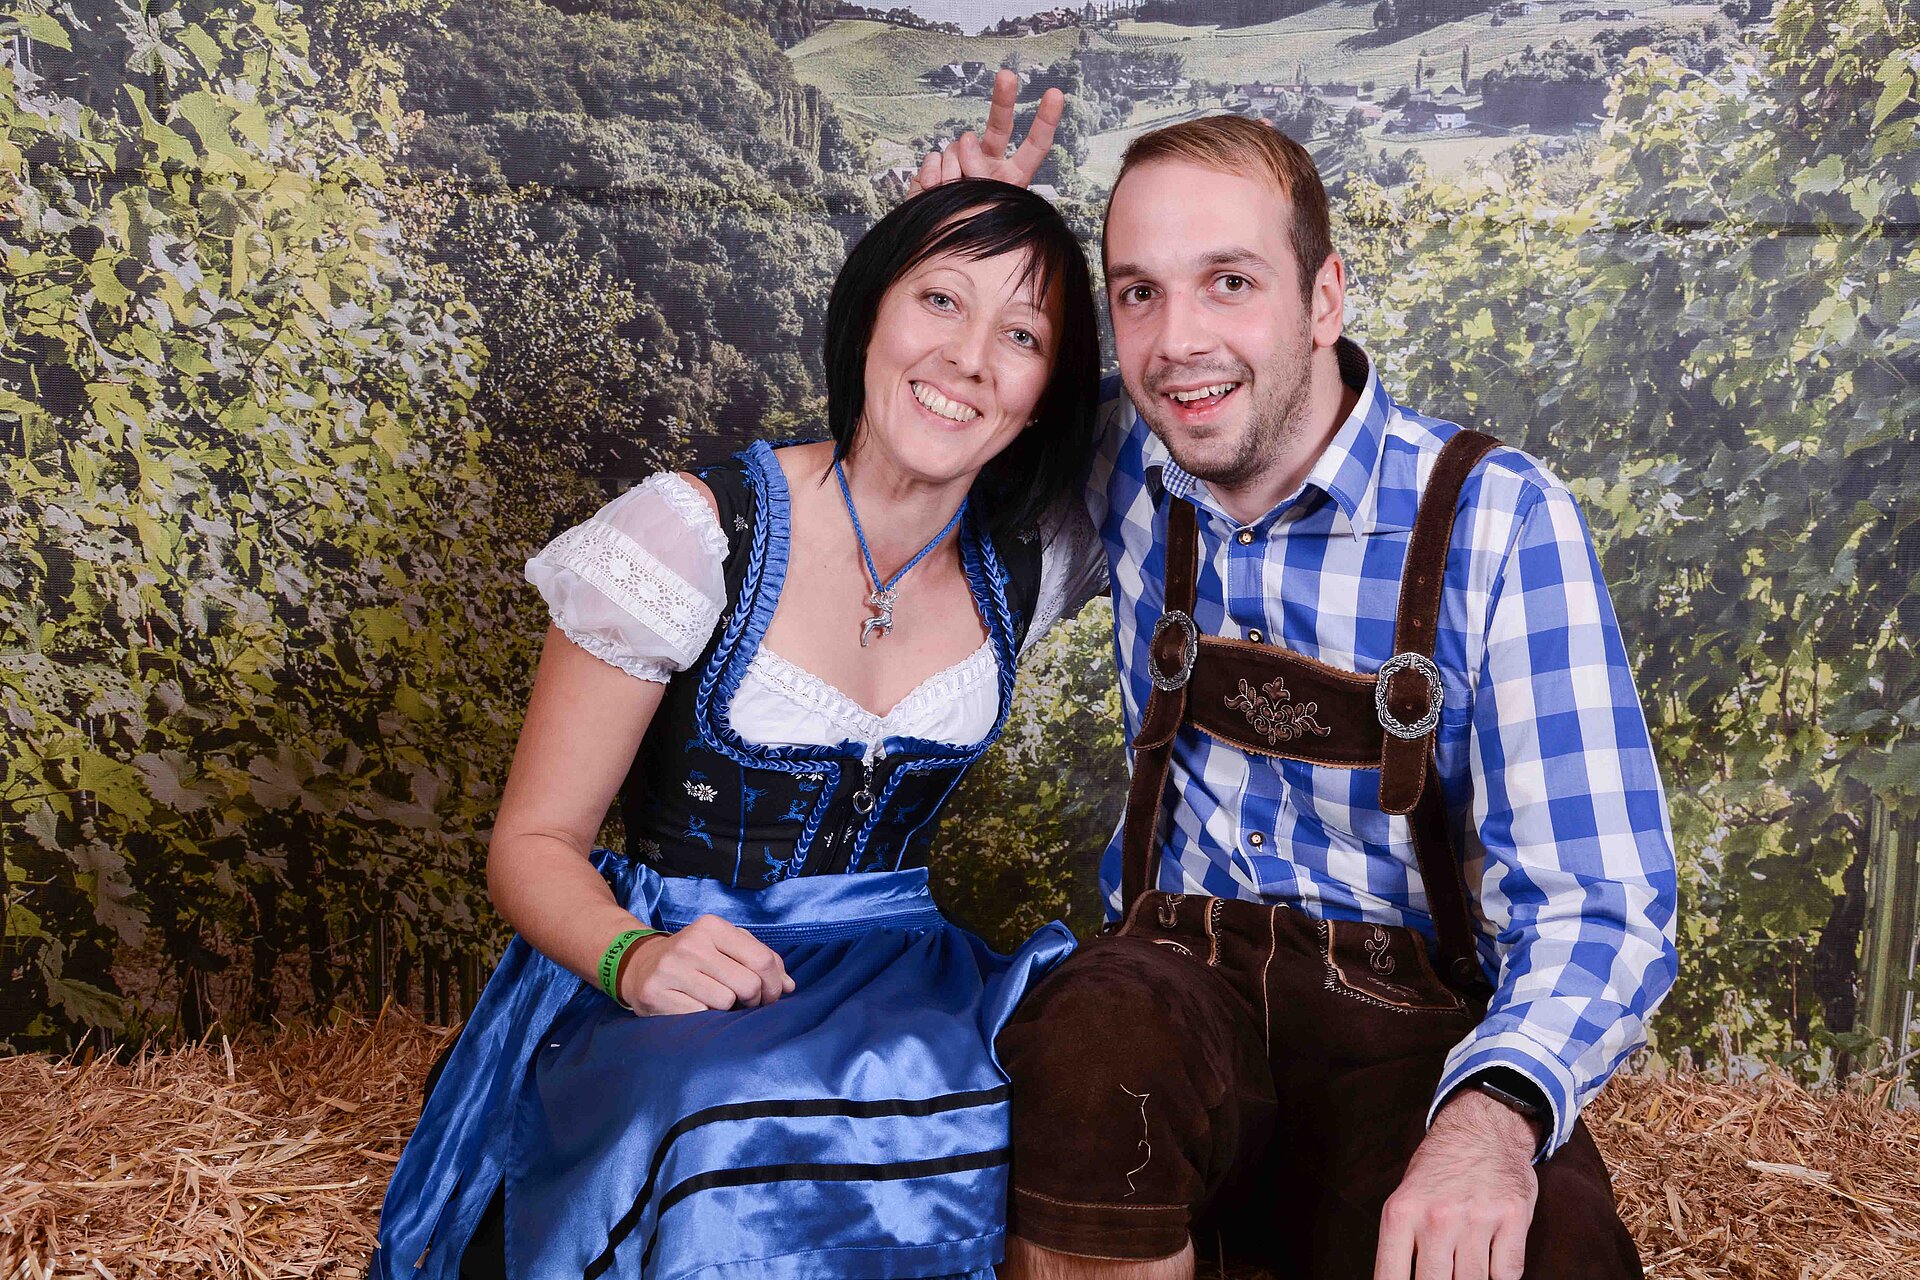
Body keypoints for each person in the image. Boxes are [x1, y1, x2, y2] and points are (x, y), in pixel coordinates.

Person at [914, 83, 1677, 1280]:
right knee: (1088, 1042)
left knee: (1551, 1249)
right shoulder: (1120, 453)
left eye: (1230, 281)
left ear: (1325, 298)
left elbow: (1602, 899)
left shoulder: (1495, 516)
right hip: (1171, 992)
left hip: (1413, 1031)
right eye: (1139, 292)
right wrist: (955, 251)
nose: (1179, 341)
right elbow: (915, 456)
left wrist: (1490, 1120)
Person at [370, 176, 1108, 1280]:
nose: (968, 359)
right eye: (937, 301)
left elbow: (1188, 393)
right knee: (723, 1115)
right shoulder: (690, 534)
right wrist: (634, 957)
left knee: (1063, 1100)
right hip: (684, 968)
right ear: (868, 312)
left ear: (1047, 392)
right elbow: (532, 844)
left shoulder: (1035, 558)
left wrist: (993, 217)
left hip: (906, 978)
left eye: (1022, 335)